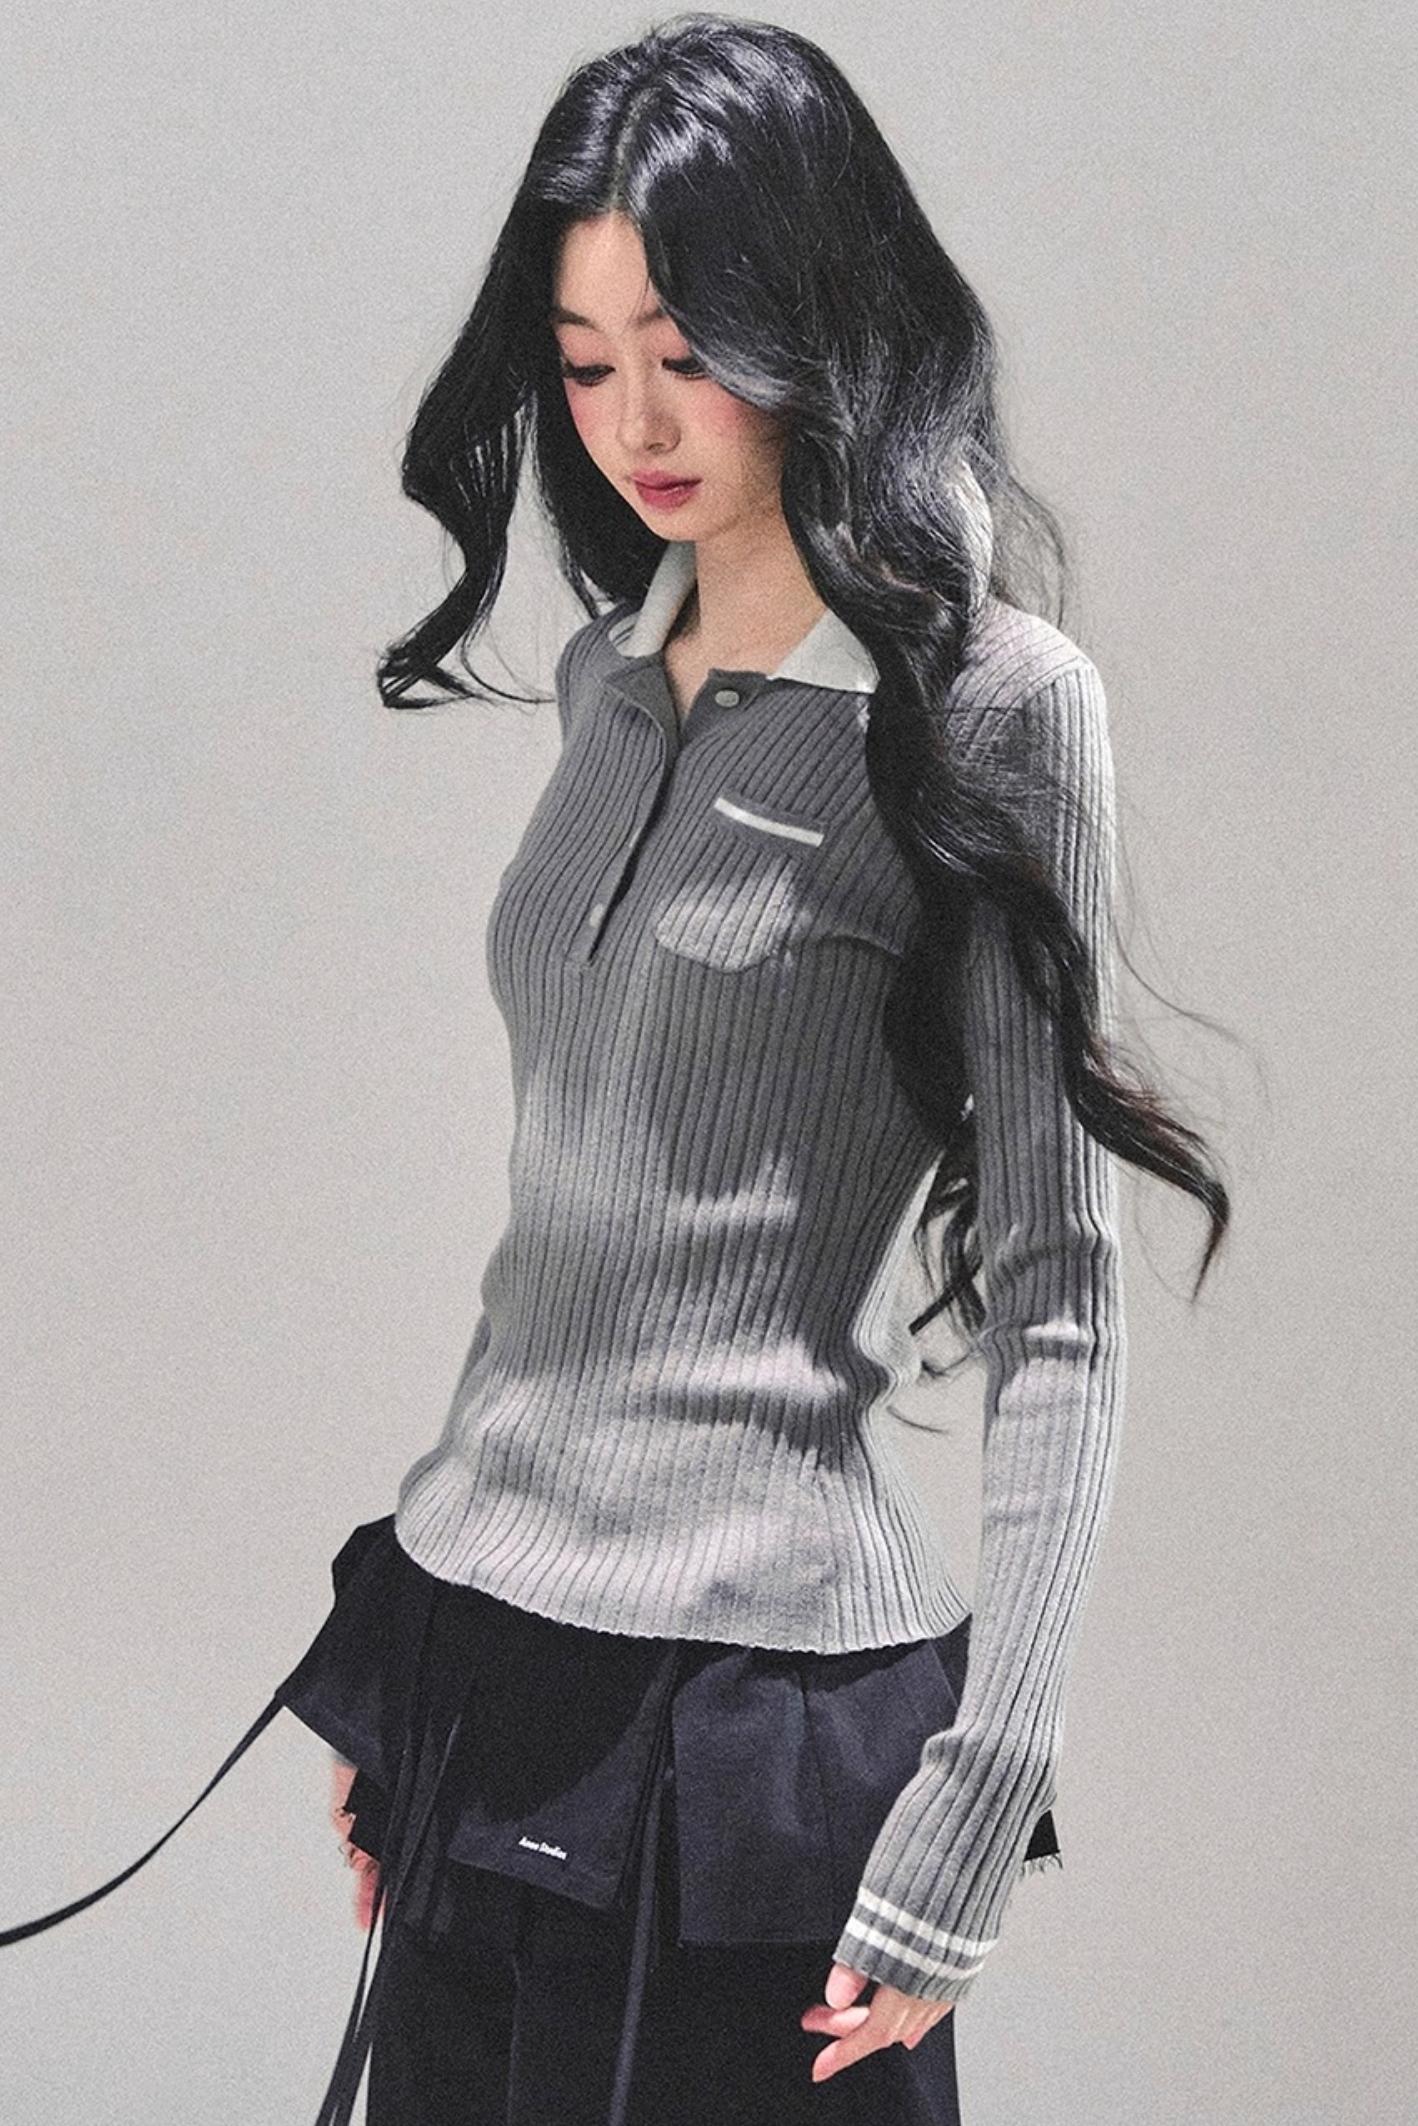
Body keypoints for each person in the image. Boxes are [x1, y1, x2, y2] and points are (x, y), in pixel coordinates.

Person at [0, 14, 1230, 2124]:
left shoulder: (991, 709)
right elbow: (573, 1233)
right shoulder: (609, 673)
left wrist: (979, 1789)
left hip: (746, 1728)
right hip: (487, 1661)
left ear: (816, 319)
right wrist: (414, 1669)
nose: (635, 419)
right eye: (581, 363)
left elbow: (1060, 1293)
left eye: (685, 348)